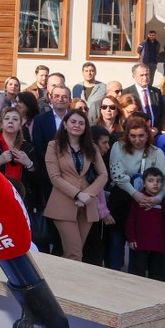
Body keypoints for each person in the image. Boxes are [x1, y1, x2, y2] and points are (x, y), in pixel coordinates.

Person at [44, 109, 109, 262]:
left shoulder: (91, 147)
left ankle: (60, 280)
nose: (77, 125)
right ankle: (68, 285)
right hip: (63, 204)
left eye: (81, 123)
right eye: (73, 122)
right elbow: (54, 177)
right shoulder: (53, 146)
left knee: (75, 252)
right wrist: (78, 194)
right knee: (74, 253)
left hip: (87, 204)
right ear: (65, 124)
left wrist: (88, 194)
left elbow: (103, 175)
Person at [108, 118, 165, 274]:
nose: (137, 140)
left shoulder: (156, 152)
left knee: (138, 247)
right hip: (122, 198)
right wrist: (134, 194)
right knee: (116, 241)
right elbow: (117, 175)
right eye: (133, 136)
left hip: (146, 203)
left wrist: (156, 199)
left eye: (141, 135)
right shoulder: (118, 147)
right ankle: (114, 277)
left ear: (147, 135)